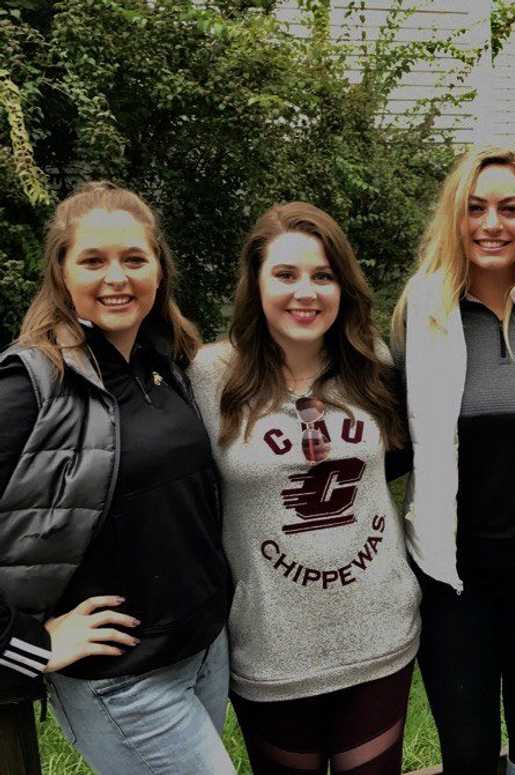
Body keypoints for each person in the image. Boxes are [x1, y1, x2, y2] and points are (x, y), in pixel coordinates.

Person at [0, 181, 234, 774]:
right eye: (93, 261)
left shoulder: (167, 364)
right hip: (120, 679)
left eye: (134, 259)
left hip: (204, 651)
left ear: (159, 269)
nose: (116, 278)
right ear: (61, 273)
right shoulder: (33, 384)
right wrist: (26, 643)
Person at [188, 202, 419, 775]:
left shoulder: (371, 364)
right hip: (271, 647)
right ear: (256, 284)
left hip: (378, 633)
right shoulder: (212, 375)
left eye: (323, 276)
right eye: (285, 275)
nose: (306, 292)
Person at [391, 146, 515, 775]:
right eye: (475, 209)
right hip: (453, 580)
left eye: (510, 208)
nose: (492, 224)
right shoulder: (421, 308)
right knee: (468, 753)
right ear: (454, 217)